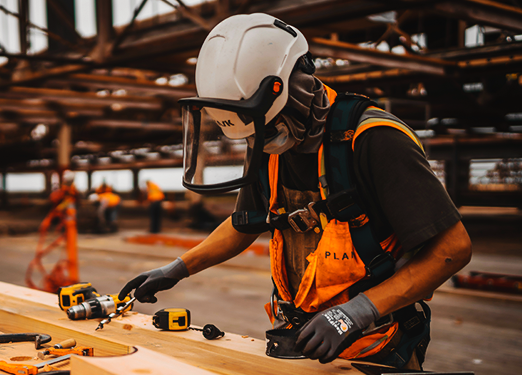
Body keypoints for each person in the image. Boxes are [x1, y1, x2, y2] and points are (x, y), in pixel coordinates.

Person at [119, 14, 471, 370]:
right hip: (297, 339)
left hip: (375, 344)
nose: (261, 141)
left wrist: (357, 312)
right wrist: (178, 268)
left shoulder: (374, 139)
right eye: (255, 133)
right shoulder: (266, 143)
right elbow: (245, 223)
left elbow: (453, 249)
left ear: (293, 90)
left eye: (267, 128)